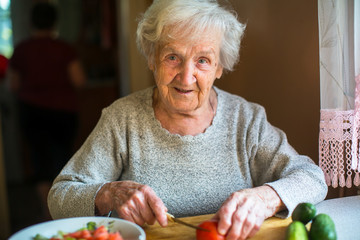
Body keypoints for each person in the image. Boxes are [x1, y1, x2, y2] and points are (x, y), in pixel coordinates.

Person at [48, 0, 327, 239]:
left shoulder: (246, 119)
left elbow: (313, 178)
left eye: (203, 60)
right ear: (151, 58)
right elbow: (59, 197)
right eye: (172, 57)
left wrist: (264, 198)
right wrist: (108, 193)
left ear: (219, 67)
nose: (185, 76)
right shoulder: (122, 119)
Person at [8, 2, 86, 220]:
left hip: (32, 111)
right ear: (54, 22)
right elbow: (79, 79)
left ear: (31, 22)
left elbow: (12, 85)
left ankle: (47, 212)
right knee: (64, 160)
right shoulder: (65, 48)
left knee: (39, 162)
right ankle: (64, 212)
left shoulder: (22, 49)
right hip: (63, 112)